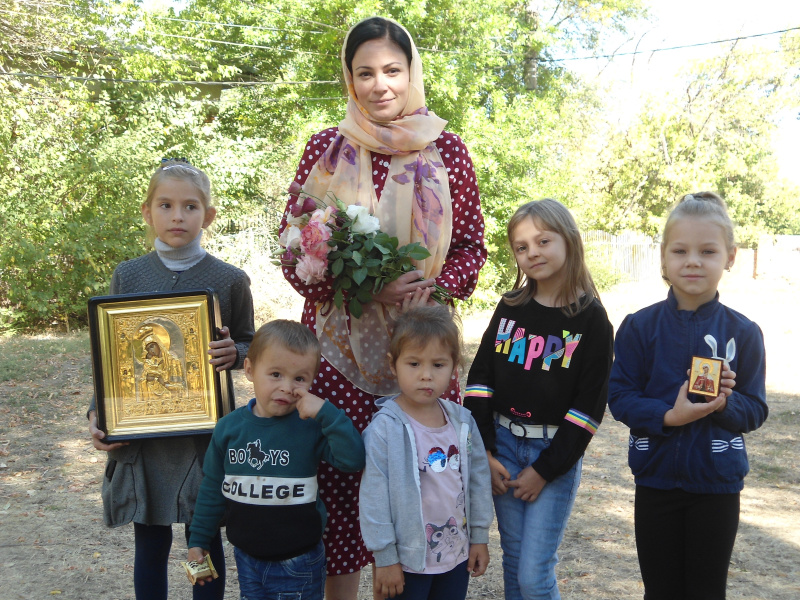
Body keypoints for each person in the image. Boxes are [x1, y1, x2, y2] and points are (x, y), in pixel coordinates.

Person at [279, 15, 487, 599]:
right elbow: (292, 251)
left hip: (423, 353)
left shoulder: (447, 149)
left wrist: (431, 289)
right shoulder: (327, 147)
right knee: (341, 486)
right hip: (336, 356)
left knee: (425, 486)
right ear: (349, 78)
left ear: (412, 71)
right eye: (365, 72)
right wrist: (366, 290)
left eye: (392, 70)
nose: (379, 84)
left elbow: (472, 248)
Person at [86, 159, 256, 600]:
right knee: (151, 541)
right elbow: (111, 353)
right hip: (146, 434)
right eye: (166, 205)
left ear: (208, 216)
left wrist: (235, 353)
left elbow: (249, 343)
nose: (177, 216)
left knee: (204, 539)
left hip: (204, 435)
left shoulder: (229, 279)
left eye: (190, 206)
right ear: (148, 212)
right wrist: (99, 414)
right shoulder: (129, 275)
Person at [607, 192, 768, 600]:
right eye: (680, 250)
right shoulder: (639, 327)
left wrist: (726, 403)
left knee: (707, 591)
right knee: (660, 590)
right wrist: (668, 416)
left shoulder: (745, 332)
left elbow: (756, 409)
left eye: (707, 251)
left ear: (730, 257)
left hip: (717, 486)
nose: (693, 261)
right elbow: (620, 396)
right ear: (663, 257)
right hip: (656, 480)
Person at [464, 199, 614, 600]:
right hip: (503, 449)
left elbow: (587, 411)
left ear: (569, 240)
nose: (532, 252)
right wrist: (486, 451)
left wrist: (546, 470)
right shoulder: (510, 307)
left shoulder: (592, 321)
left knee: (534, 575)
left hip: (552, 455)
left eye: (543, 241)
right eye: (521, 246)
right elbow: (479, 383)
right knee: (514, 566)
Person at [187, 320, 366, 600]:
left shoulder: (310, 425)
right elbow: (212, 488)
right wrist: (198, 540)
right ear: (249, 370)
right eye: (275, 374)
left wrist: (327, 413)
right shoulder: (228, 429)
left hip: (299, 561)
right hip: (246, 557)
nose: (287, 387)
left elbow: (353, 460)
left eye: (300, 379)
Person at [360, 306, 493, 600]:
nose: (426, 376)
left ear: (454, 366)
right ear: (393, 364)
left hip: (456, 555)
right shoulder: (385, 428)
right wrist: (385, 557)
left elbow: (478, 482)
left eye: (438, 364)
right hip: (406, 562)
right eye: (414, 363)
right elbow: (373, 496)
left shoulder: (463, 422)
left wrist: (480, 537)